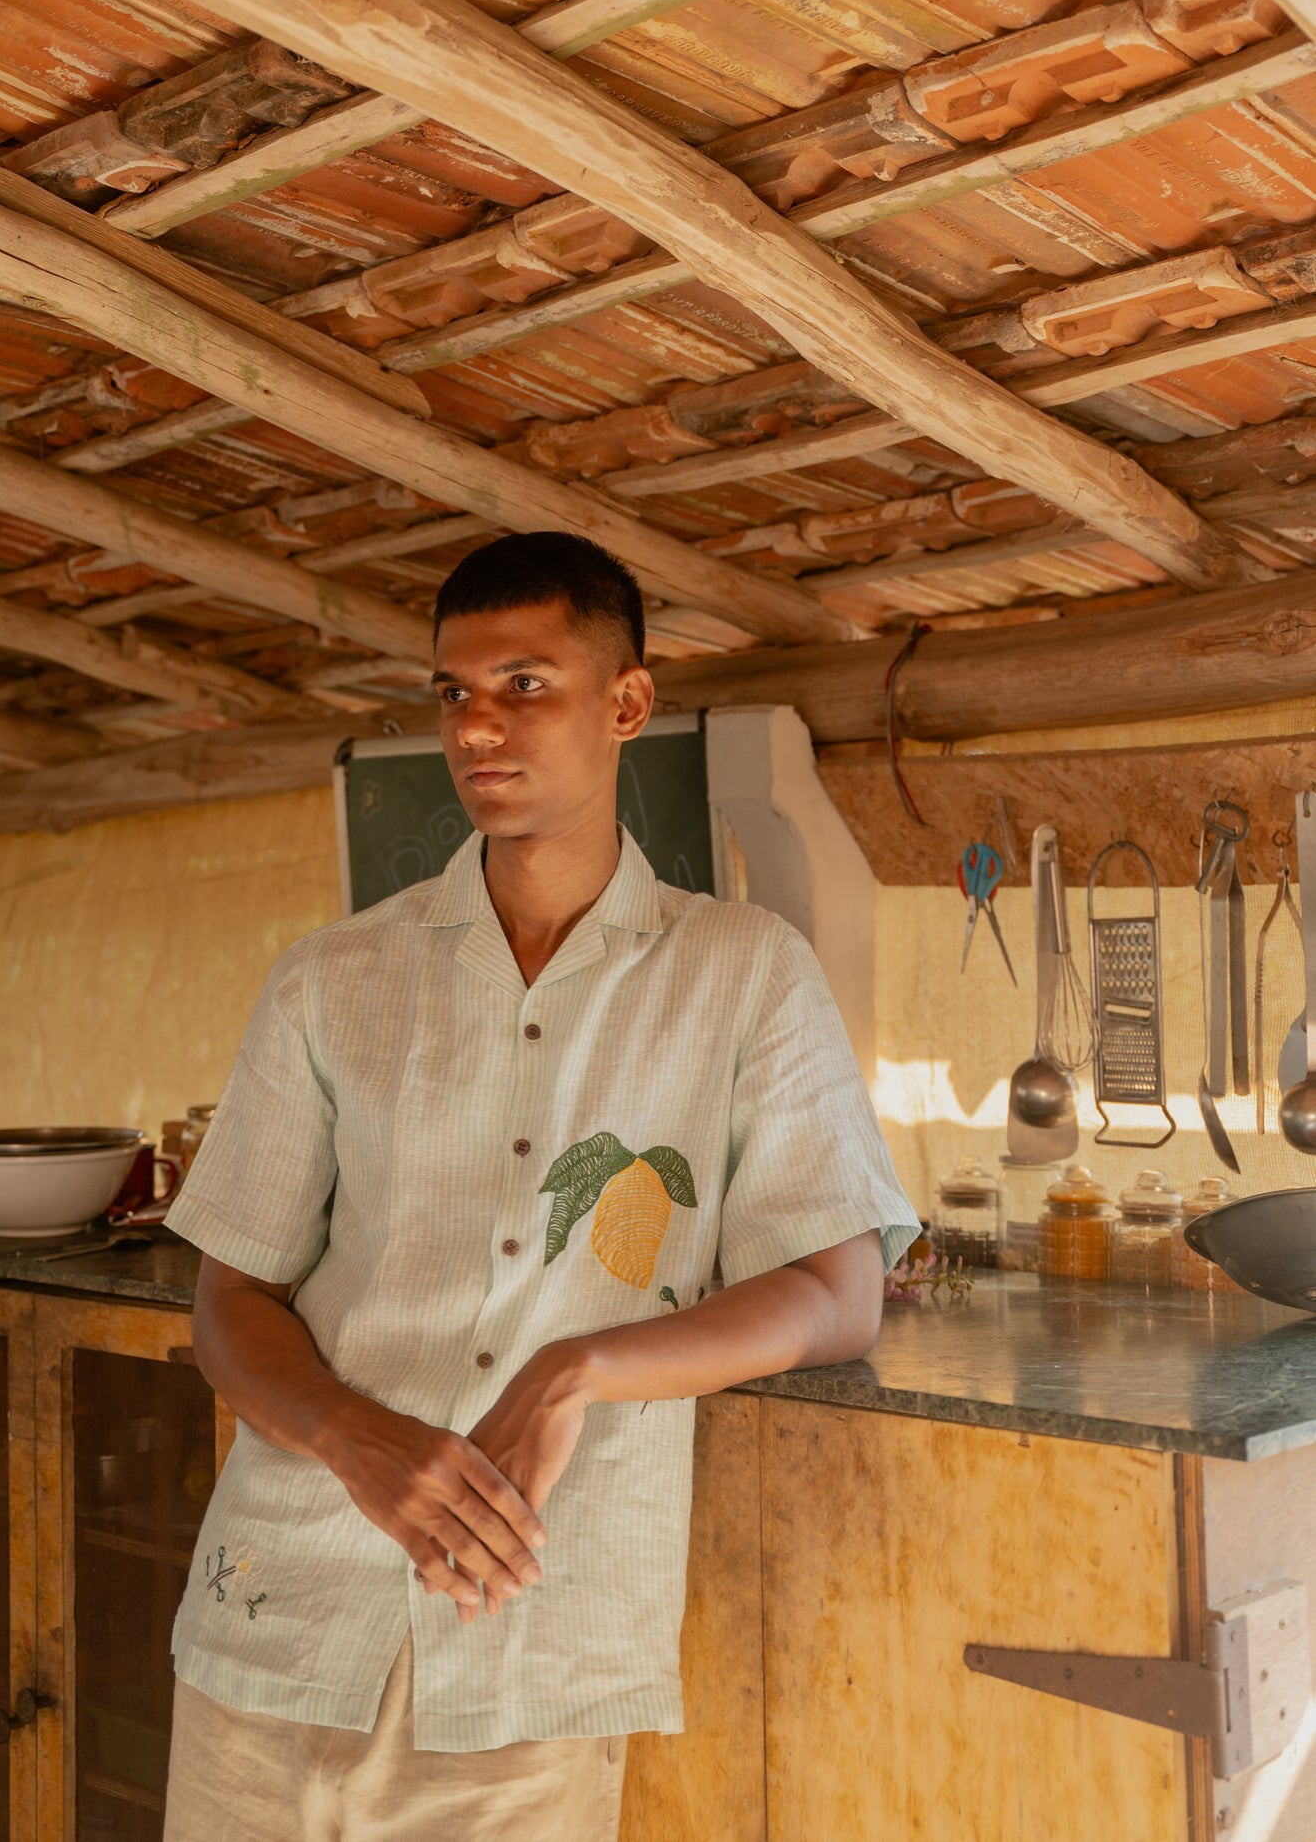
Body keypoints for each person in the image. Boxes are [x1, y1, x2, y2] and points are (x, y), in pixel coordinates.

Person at [161, 530, 918, 1842]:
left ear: (626, 702)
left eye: (525, 685)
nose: (477, 728)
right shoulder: (332, 977)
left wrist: (576, 1371)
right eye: (453, 693)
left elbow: (839, 1292)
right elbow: (231, 1294)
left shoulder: (742, 972)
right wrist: (354, 1438)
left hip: (524, 1643)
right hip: (274, 1616)